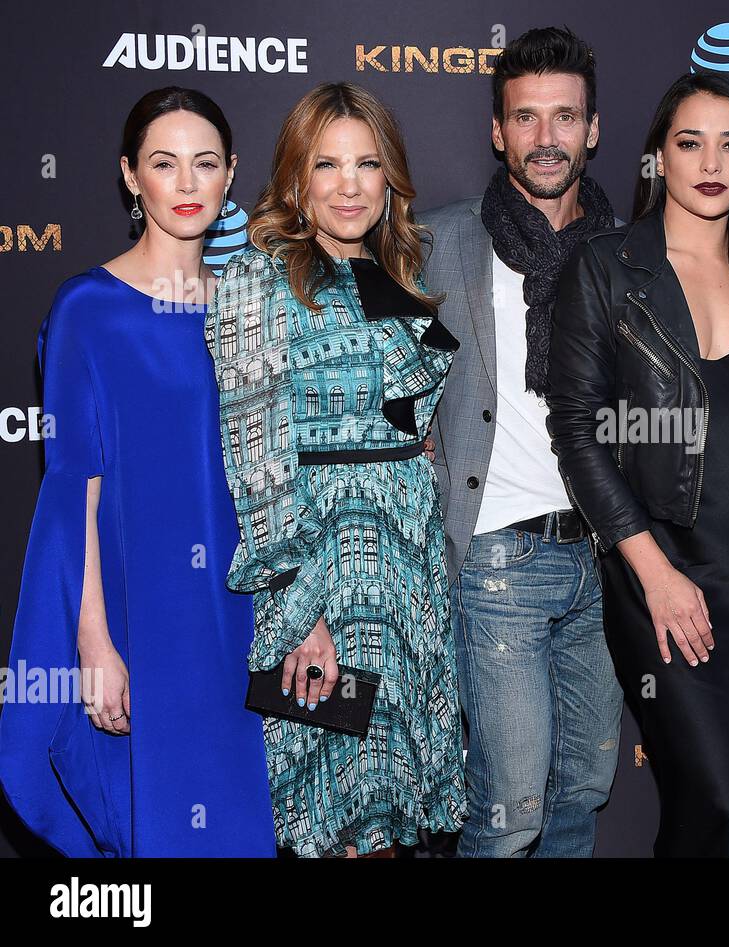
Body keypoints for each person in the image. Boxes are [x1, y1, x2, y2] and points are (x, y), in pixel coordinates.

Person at [0, 87, 276, 857]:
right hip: (145, 618)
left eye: (205, 164)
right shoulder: (88, 309)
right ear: (130, 177)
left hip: (243, 614)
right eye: (164, 164)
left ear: (230, 178)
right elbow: (72, 494)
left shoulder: (250, 309)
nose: (186, 185)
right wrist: (94, 641)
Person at [548, 72, 729, 857]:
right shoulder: (603, 267)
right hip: (660, 570)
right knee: (716, 803)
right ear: (657, 156)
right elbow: (578, 432)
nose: (711, 161)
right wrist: (654, 573)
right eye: (689, 142)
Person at [207, 82, 464, 858]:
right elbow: (256, 456)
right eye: (328, 165)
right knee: (331, 819)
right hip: (325, 579)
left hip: (408, 583)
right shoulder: (262, 277)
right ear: (296, 179)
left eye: (367, 164)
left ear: (390, 180)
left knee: (392, 819)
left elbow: (415, 431)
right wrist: (297, 611)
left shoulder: (396, 275)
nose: (349, 185)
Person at [416, 27, 624, 858]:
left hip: (608, 559)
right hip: (498, 558)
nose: (547, 138)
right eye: (527, 118)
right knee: (511, 811)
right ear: (498, 131)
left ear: (592, 129)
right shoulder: (440, 243)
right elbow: (393, 384)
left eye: (564, 117)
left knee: (584, 789)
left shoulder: (627, 252)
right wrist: (415, 438)